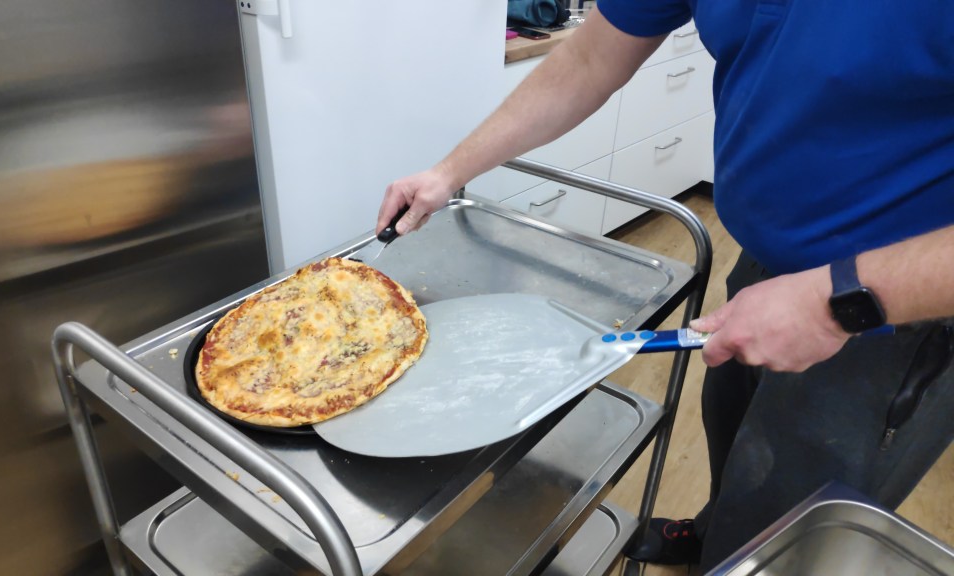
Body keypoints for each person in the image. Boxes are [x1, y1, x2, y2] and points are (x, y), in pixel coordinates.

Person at [377, 0, 954, 571]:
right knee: (732, 431)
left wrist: (833, 303)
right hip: (767, 264)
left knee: (793, 514)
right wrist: (450, 171)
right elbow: (588, 60)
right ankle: (713, 535)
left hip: (889, 311)